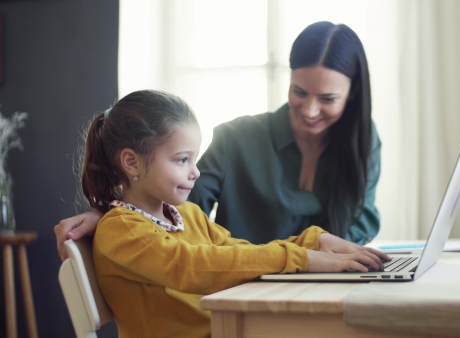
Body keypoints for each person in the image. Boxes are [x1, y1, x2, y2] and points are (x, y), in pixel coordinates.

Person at [55, 21, 381, 260]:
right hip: (241, 293)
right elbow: (177, 204)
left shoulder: (364, 143)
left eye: (327, 98)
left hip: (319, 282)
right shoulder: (237, 138)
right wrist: (113, 213)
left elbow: (357, 225)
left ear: (352, 96)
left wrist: (330, 255)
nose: (310, 110)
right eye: (299, 92)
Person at [79, 89, 389, 337]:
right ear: (131, 162)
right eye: (182, 160)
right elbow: (194, 267)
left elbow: (239, 252)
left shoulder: (188, 215)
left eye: (194, 159)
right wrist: (302, 259)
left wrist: (313, 242)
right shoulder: (122, 230)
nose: (196, 172)